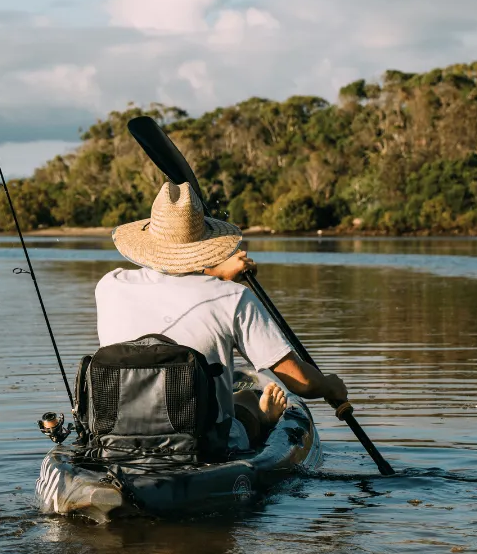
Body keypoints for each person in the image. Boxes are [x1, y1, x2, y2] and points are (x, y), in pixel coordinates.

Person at [95, 181, 348, 451]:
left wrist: (213, 274)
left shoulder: (110, 285)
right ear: (206, 242)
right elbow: (302, 383)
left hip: (118, 439)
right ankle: (263, 417)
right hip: (202, 445)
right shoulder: (233, 298)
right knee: (247, 400)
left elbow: (173, 284)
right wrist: (329, 386)